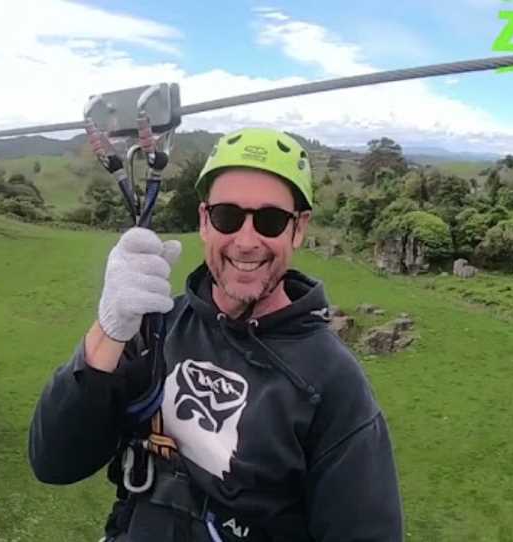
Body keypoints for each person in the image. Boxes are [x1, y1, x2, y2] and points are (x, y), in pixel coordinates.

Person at [28, 127, 404, 541]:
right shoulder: (158, 327)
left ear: (298, 229)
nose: (246, 241)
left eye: (270, 220)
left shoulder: (332, 384)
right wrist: (110, 328)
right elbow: (54, 462)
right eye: (228, 216)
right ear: (205, 221)